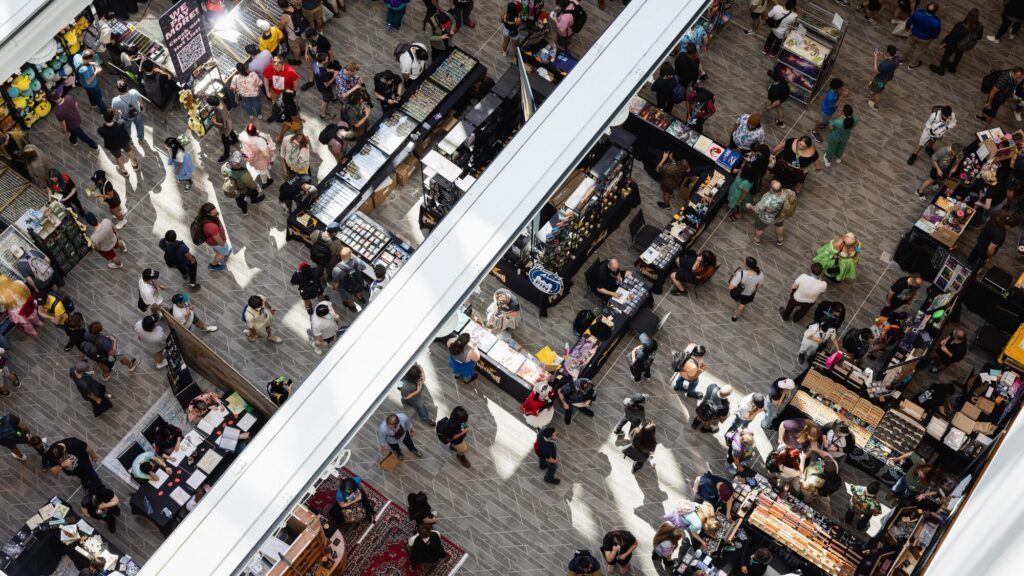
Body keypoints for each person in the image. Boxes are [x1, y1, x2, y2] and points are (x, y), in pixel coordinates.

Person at [931, 8, 982, 75]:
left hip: (954, 44)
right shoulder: (980, 26)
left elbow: (953, 36)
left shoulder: (961, 26)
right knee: (959, 55)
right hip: (964, 45)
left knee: (946, 55)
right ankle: (952, 67)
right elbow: (979, 37)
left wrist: (943, 44)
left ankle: (941, 70)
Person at [747, 180, 791, 246]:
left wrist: (750, 206)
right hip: (780, 215)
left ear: (771, 189)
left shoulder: (767, 200)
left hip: (765, 218)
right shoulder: (786, 193)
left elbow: (757, 209)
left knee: (759, 228)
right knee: (779, 225)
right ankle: (780, 240)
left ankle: (757, 240)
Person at [96, 110, 138, 177]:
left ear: (104, 118)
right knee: (129, 151)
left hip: (113, 145)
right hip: (123, 141)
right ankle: (135, 165)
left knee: (118, 157)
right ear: (113, 117)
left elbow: (102, 135)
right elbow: (123, 121)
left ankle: (124, 171)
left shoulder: (101, 130)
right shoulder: (120, 123)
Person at [903, 3, 941, 69]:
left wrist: (907, 27)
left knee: (907, 46)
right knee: (918, 51)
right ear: (935, 11)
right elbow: (935, 33)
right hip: (925, 39)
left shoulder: (918, 13)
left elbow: (910, 21)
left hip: (914, 34)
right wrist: (931, 37)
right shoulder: (937, 21)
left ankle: (901, 59)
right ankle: (912, 65)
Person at [728, 257, 765, 322]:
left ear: (747, 265)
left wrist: (734, 275)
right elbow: (760, 286)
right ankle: (735, 316)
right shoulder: (760, 273)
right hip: (750, 293)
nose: (744, 261)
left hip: (739, 292)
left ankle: (737, 304)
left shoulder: (741, 273)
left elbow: (730, 287)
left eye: (745, 261)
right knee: (743, 304)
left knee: (738, 300)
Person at [196, 203, 232, 270]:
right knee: (221, 254)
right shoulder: (211, 226)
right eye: (214, 212)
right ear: (208, 214)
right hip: (218, 243)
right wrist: (223, 244)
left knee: (220, 250)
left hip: (212, 242)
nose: (216, 212)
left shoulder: (205, 218)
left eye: (215, 209)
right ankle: (213, 265)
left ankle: (224, 251)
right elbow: (218, 239)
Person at [812, 78, 846, 143]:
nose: (842, 89)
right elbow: (835, 105)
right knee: (820, 121)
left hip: (829, 112)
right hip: (826, 112)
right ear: (836, 89)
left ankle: (824, 123)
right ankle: (814, 131)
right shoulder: (831, 97)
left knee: (825, 120)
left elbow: (836, 99)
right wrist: (842, 96)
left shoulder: (833, 91)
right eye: (840, 88)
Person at [868, 45, 899, 110]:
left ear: (888, 53)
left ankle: (876, 106)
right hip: (887, 78)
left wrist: (875, 57)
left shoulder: (884, 65)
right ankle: (874, 89)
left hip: (879, 81)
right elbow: (890, 59)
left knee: (877, 93)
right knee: (878, 89)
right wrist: (884, 55)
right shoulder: (896, 59)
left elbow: (876, 71)